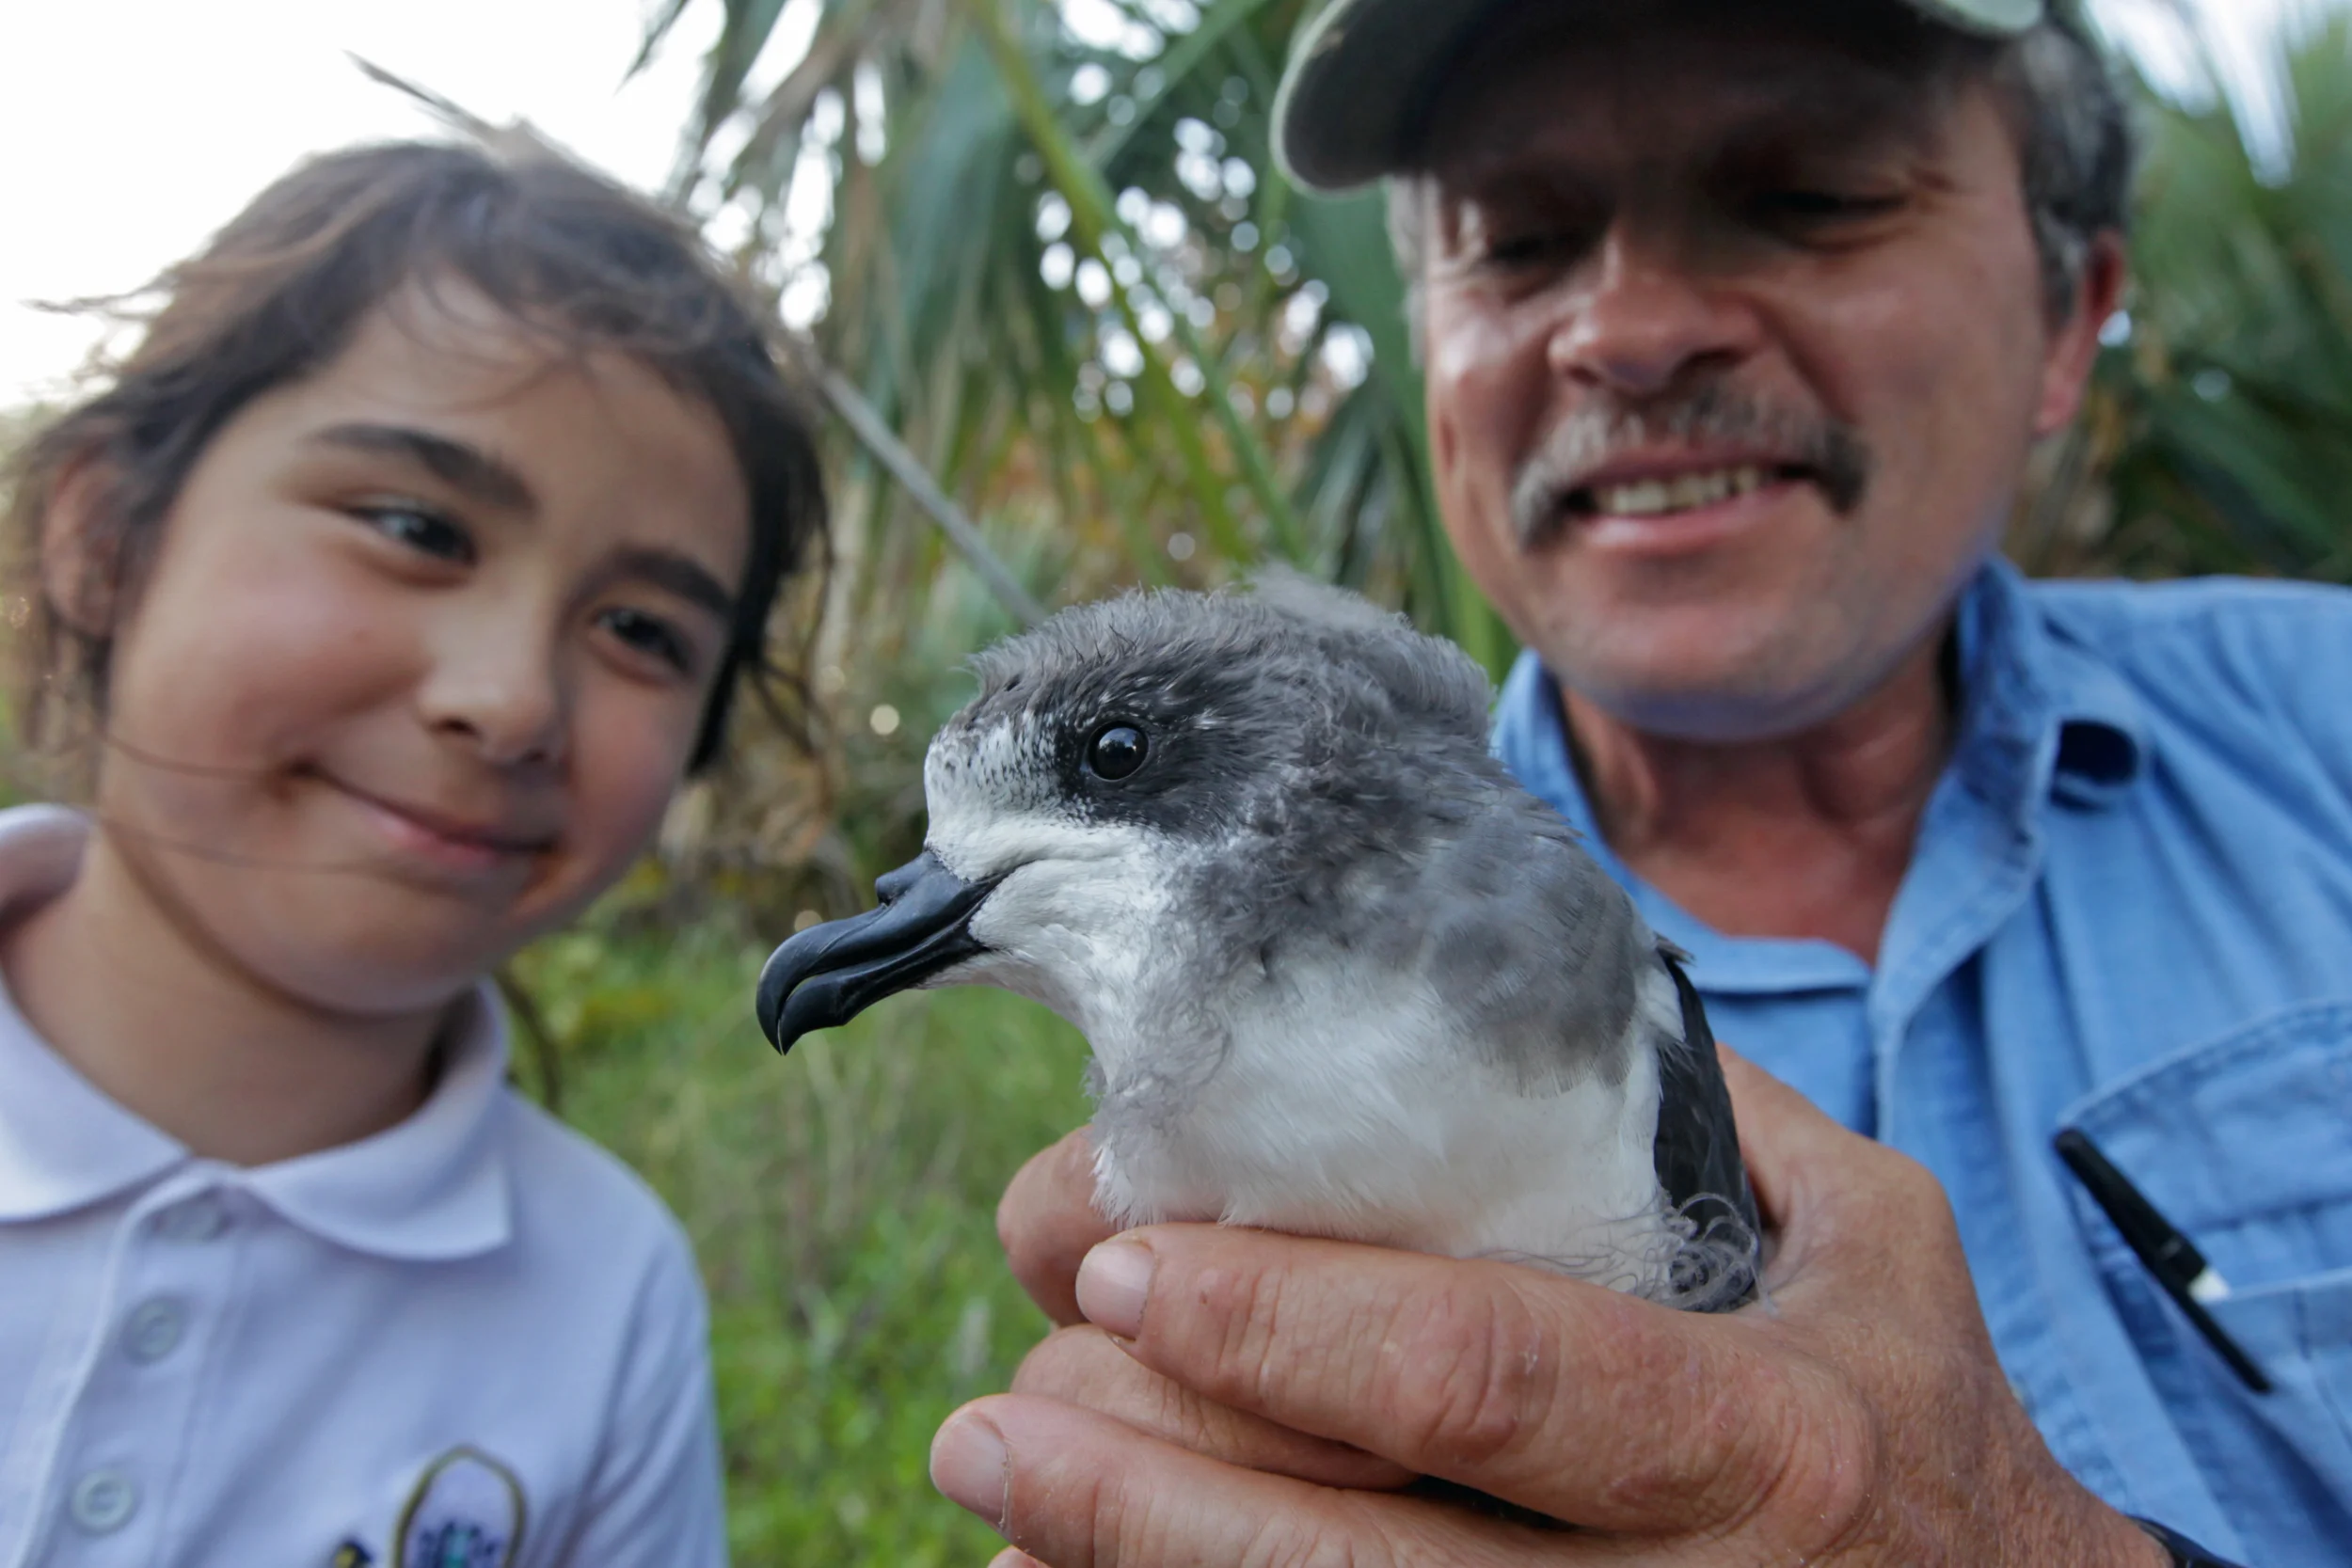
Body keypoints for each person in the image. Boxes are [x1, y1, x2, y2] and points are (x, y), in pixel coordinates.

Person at [934, 1, 2351, 1563]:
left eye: (1808, 196)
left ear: (2072, 314)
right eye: (1520, 241)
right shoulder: (1182, 994)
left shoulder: (2326, 730)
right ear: (1426, 345)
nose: (1631, 329)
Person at [0, 141, 823, 1564]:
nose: (510, 701)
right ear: (102, 539)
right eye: (414, 527)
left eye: (641, 630)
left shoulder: (607, 1302)